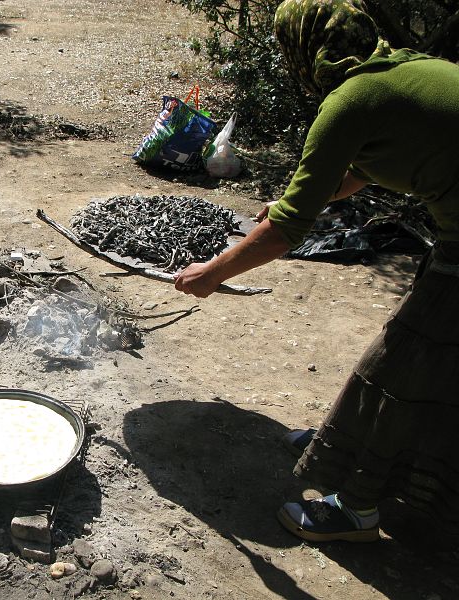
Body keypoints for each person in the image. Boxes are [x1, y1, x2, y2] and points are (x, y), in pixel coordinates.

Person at [174, 0, 459, 543]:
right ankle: (359, 446)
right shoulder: (404, 71)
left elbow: (286, 232)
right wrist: (301, 196)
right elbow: (362, 164)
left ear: (302, 47)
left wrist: (212, 272)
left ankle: (354, 509)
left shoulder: (351, 100)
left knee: (400, 366)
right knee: (438, 366)